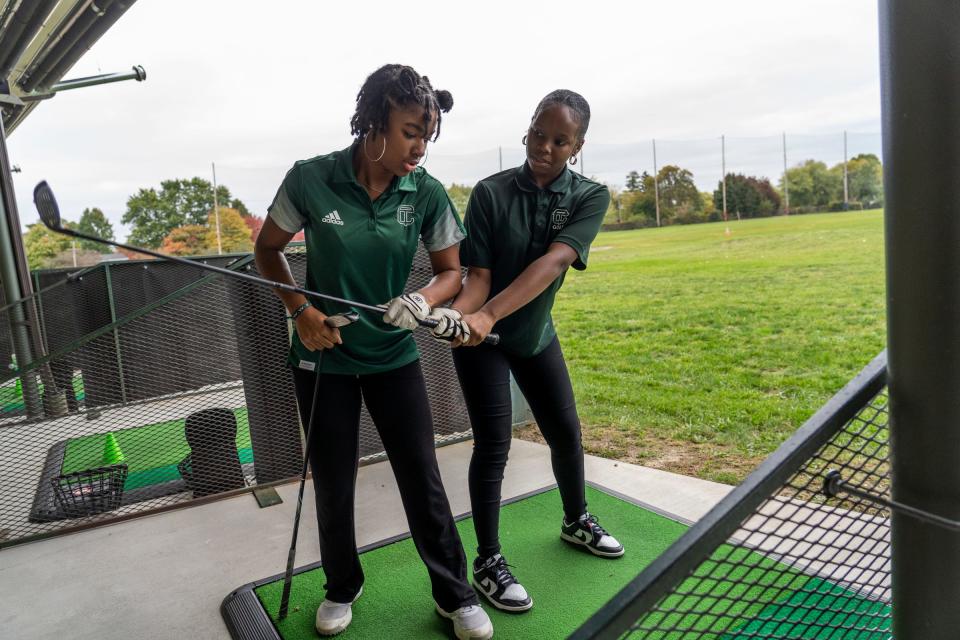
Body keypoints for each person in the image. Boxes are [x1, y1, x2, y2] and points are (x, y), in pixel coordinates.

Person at [254, 64, 493, 640]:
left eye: (427, 136)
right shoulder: (311, 178)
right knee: (334, 481)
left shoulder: (426, 191)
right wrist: (301, 311)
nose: (419, 148)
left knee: (422, 477)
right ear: (375, 119)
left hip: (393, 358)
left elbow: (451, 272)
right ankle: (342, 585)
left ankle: (454, 594)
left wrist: (419, 299)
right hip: (324, 357)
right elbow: (268, 250)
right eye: (410, 131)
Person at [428, 90, 624, 613]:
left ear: (576, 145)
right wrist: (461, 317)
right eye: (539, 133)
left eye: (560, 140)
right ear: (529, 128)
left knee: (566, 434)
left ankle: (576, 519)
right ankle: (488, 561)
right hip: (481, 342)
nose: (545, 146)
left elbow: (554, 263)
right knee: (493, 446)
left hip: (533, 333)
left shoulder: (589, 196)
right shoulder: (491, 192)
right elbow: (479, 277)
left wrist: (489, 312)